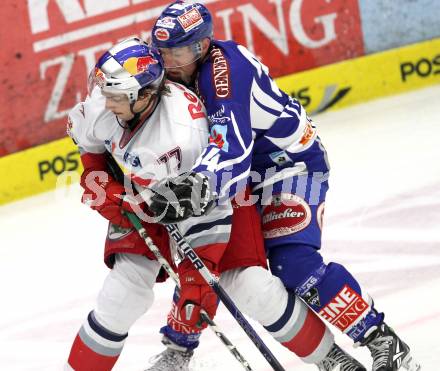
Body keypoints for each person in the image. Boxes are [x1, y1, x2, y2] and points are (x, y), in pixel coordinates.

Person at [64, 37, 365, 371]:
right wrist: (105, 184)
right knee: (123, 293)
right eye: (104, 92)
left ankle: (330, 358)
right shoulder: (106, 98)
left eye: (116, 97)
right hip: (144, 192)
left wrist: (195, 284)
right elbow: (90, 147)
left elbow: (211, 217)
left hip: (215, 193)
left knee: (249, 285)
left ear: (145, 95)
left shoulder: (183, 137)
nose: (106, 103)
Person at [149, 2, 421, 371]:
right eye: (162, 52)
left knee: (294, 263)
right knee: (208, 254)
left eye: (177, 52)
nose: (168, 62)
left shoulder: (223, 73)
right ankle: (179, 350)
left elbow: (232, 148)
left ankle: (383, 340)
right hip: (237, 175)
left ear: (202, 45)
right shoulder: (170, 70)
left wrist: (195, 186)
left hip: (287, 166)